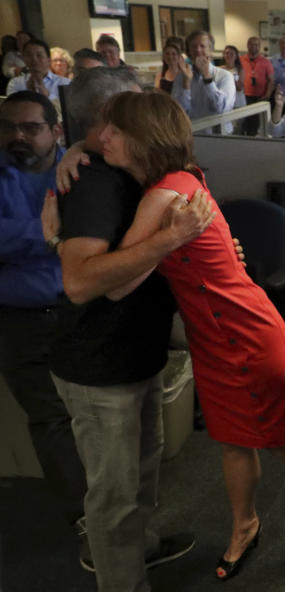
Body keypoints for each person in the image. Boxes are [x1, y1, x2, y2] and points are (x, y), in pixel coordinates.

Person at [64, 89, 285, 581]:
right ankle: (244, 527)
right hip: (211, 337)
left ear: (145, 138)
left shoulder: (167, 192)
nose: (104, 138)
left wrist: (55, 231)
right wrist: (73, 152)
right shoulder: (172, 182)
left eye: (116, 131)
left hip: (246, 331)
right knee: (233, 442)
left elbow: (118, 284)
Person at [44, 67, 199, 592]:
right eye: (112, 120)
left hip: (140, 355)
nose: (108, 134)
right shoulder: (93, 180)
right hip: (99, 368)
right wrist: (170, 240)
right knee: (113, 497)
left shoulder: (139, 173)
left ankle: (140, 551)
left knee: (142, 477)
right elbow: (84, 283)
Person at [0, 91, 89, 567]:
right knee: (51, 421)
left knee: (99, 415)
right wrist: (52, 234)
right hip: (21, 321)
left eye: (30, 127)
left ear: (55, 132)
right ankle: (86, 521)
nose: (17, 135)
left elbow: (96, 234)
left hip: (81, 310)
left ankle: (115, 512)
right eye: (9, 126)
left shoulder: (79, 170)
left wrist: (30, 237)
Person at [172, 30, 236, 134]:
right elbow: (179, 112)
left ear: (211, 51)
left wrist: (207, 77)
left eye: (202, 46)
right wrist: (186, 83)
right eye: (193, 46)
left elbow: (221, 109)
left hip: (220, 136)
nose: (198, 50)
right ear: (189, 51)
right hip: (192, 135)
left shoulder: (225, 76)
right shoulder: (182, 77)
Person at [5, 39, 71, 100]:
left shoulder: (65, 83)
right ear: (24, 59)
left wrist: (47, 94)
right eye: (29, 55)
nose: (34, 59)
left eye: (39, 55)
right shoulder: (16, 83)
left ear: (48, 60)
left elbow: (66, 110)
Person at [239, 36, 274, 136]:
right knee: (242, 123)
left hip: (259, 97)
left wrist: (267, 95)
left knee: (254, 125)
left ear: (259, 47)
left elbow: (271, 80)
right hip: (244, 96)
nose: (254, 46)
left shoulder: (266, 62)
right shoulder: (241, 60)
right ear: (247, 45)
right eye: (251, 44)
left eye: (256, 45)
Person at [221, 44, 247, 113]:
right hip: (225, 104)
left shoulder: (240, 69)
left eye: (231, 54)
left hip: (238, 104)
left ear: (236, 57)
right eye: (226, 53)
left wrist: (228, 78)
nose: (228, 55)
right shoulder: (220, 69)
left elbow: (240, 87)